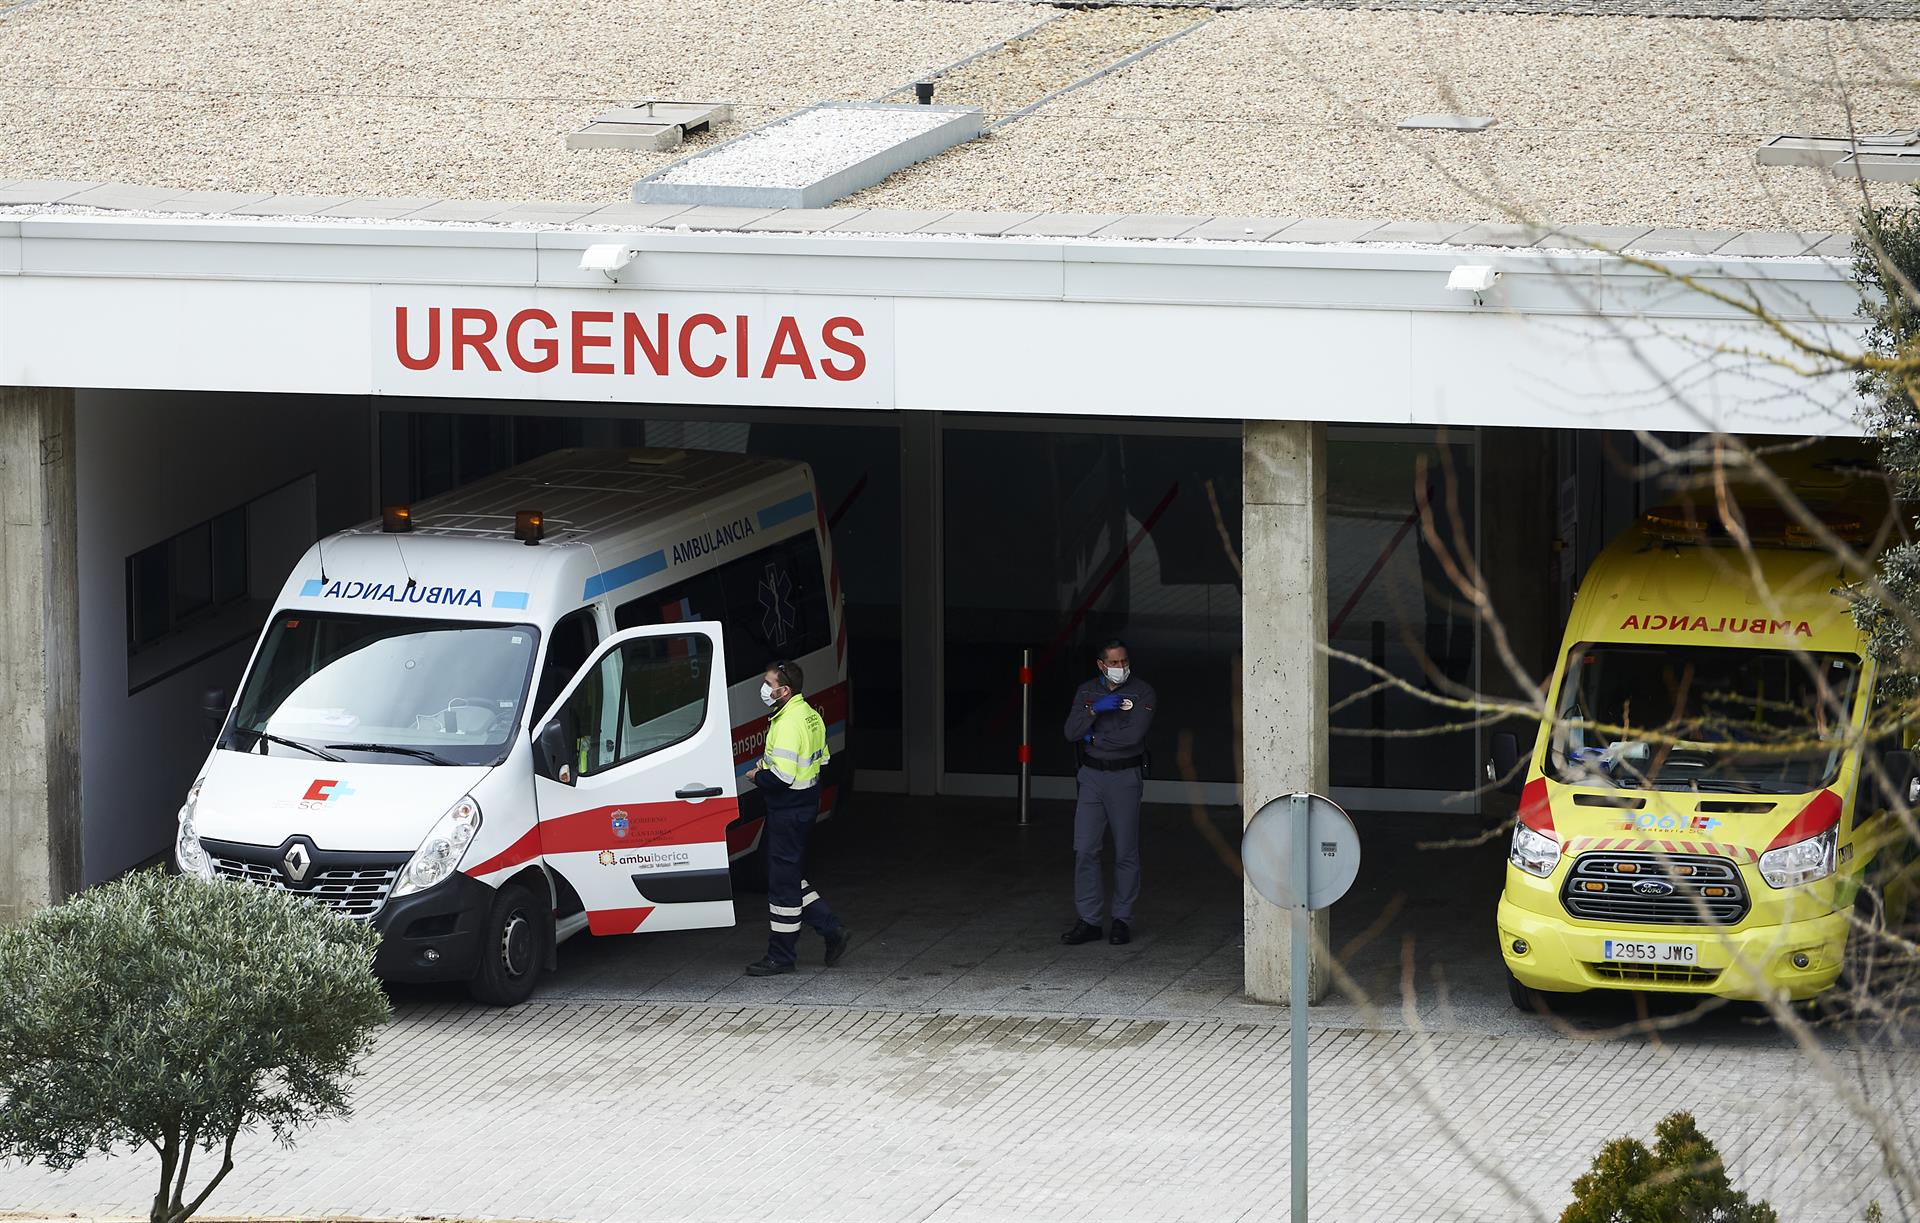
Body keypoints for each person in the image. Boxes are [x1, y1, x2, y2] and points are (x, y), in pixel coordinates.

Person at [744, 659, 851, 977]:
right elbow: (822, 760)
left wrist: (756, 776)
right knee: (788, 877)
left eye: (769, 683)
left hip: (788, 808)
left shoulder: (789, 722)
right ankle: (830, 929)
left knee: (782, 886)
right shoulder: (810, 715)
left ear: (784, 689)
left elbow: (782, 777)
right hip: (803, 805)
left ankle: (781, 956)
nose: (764, 688)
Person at [1060, 639, 1157, 946]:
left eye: (1124, 661)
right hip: (1090, 776)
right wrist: (1092, 713)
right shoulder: (1087, 691)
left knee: (1126, 851)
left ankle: (1121, 919)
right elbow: (1069, 732)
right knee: (1086, 849)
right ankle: (1089, 920)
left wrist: (1093, 737)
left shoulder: (1142, 692)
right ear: (1101, 665)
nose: (1120, 668)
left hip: (1124, 776)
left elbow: (1133, 736)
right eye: (1114, 663)